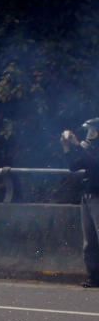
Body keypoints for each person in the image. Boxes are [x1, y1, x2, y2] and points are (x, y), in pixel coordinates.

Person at [60, 118, 99, 288]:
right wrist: (67, 147)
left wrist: (77, 145)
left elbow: (95, 164)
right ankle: (93, 277)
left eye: (91, 130)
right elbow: (74, 166)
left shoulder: (92, 151)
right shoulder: (89, 148)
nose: (89, 134)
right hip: (88, 195)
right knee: (89, 241)